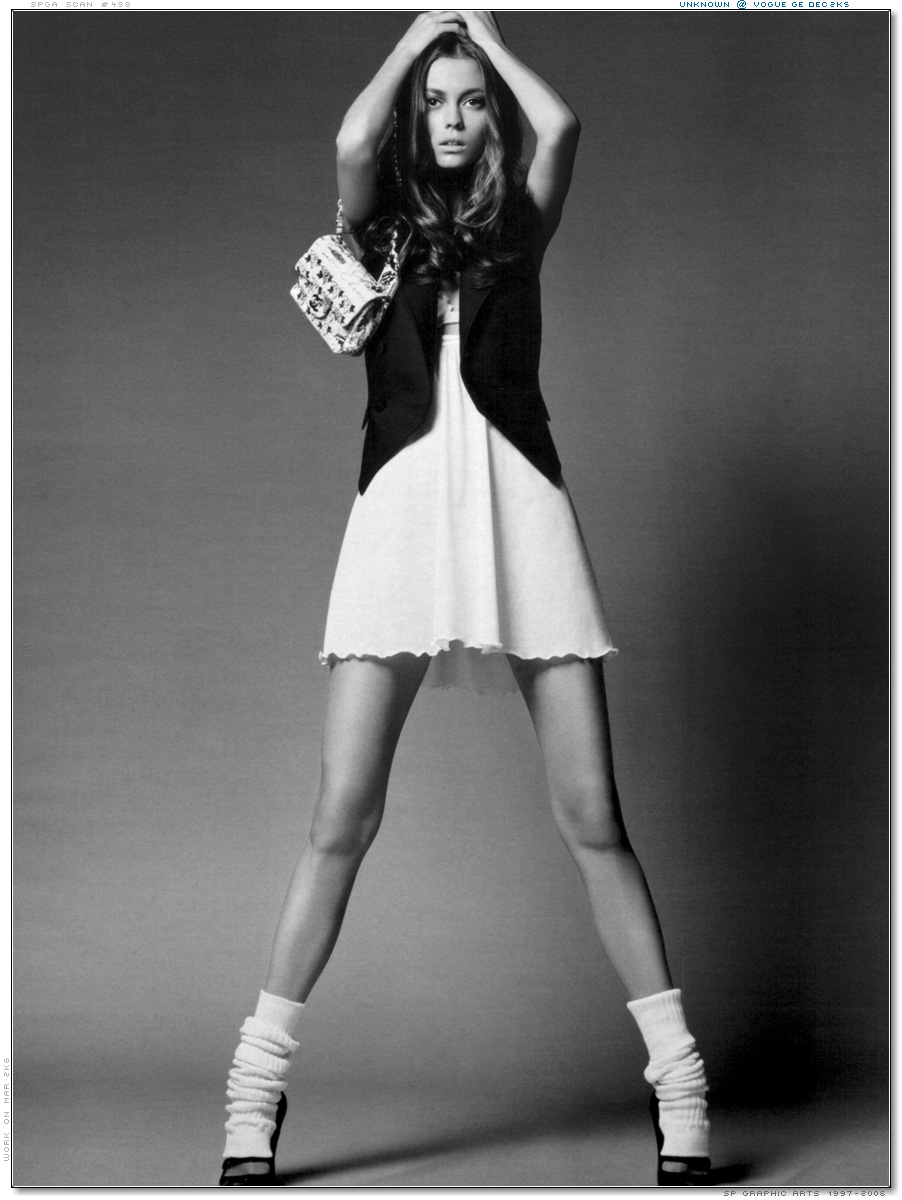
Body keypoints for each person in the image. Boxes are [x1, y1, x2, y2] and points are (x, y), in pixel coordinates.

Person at [219, 11, 711, 1187]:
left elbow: (564, 123)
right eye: (434, 101)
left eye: (469, 99)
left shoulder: (520, 224)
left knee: (593, 815)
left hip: (519, 510)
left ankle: (682, 1091)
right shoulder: (372, 227)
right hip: (397, 513)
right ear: (412, 115)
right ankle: (251, 1094)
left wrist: (481, 30)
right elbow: (350, 140)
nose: (450, 118)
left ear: (489, 117)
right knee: (339, 819)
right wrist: (415, 38)